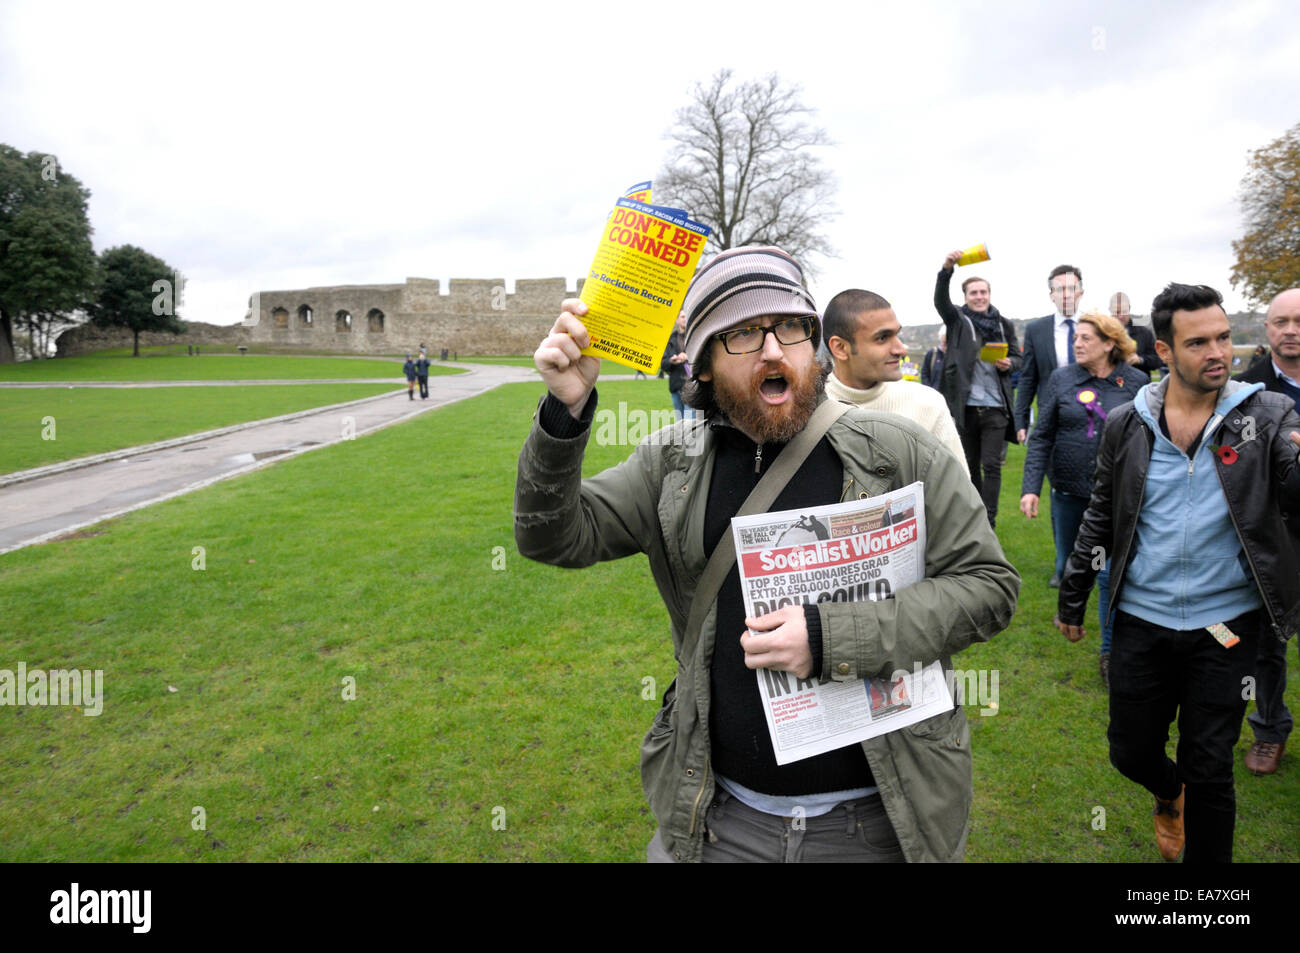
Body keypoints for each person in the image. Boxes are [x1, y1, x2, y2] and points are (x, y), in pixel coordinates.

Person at [516, 245, 1019, 863]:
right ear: (700, 366)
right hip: (720, 816)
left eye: (789, 327)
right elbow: (551, 536)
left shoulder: (900, 453)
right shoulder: (669, 464)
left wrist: (832, 636)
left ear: (814, 344)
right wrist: (564, 414)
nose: (775, 350)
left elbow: (990, 586)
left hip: (877, 822)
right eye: (744, 334)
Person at [1055, 282, 1300, 863]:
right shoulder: (1127, 423)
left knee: (1211, 767)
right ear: (1164, 351)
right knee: (1130, 752)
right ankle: (1169, 793)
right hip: (1142, 620)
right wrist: (1074, 595)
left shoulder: (1265, 414)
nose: (1218, 352)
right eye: (1198, 343)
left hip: (1226, 627)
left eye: (1223, 337)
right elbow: (1101, 510)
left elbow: (1292, 486)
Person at [1019, 311, 1146, 686]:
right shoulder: (1061, 379)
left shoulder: (1135, 382)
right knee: (1071, 565)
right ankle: (1072, 611)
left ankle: (1109, 653)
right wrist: (1030, 488)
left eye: (1087, 338)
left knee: (1108, 572)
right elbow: (1042, 435)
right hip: (1068, 490)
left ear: (1110, 343)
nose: (1077, 343)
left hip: (1115, 495)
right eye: (1076, 338)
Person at [1236, 288, 1300, 775]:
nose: (1291, 330)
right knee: (1267, 643)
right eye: (1281, 321)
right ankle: (1268, 727)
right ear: (1267, 329)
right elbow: (1233, 464)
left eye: (1299, 321)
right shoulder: (1246, 392)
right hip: (1274, 534)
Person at [823, 288, 967, 474]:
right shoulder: (806, 409)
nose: (901, 349)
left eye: (897, 335)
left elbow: (957, 495)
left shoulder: (928, 405)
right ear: (840, 348)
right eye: (882, 338)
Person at [932, 250, 1022, 527]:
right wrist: (947, 269)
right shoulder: (958, 322)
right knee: (969, 465)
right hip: (966, 406)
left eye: (983, 292)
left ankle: (990, 522)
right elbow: (940, 301)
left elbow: (1019, 359)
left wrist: (1011, 363)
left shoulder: (1003, 324)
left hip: (995, 405)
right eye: (974, 293)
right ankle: (976, 519)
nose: (980, 297)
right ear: (966, 297)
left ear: (989, 294)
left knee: (992, 466)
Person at [1109, 292, 1164, 374]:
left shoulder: (1144, 333)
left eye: (1124, 311)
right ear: (1110, 310)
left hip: (1138, 383)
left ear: (1129, 308)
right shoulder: (1101, 333)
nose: (1121, 316)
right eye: (1117, 312)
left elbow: (1158, 360)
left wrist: (1140, 360)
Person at [660, 313, 689, 421]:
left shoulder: (694, 337)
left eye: (686, 316)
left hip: (691, 387)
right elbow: (663, 364)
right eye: (682, 317)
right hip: (675, 385)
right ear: (677, 320)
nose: (685, 319)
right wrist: (671, 361)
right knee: (679, 422)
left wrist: (688, 357)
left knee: (689, 422)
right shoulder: (670, 340)